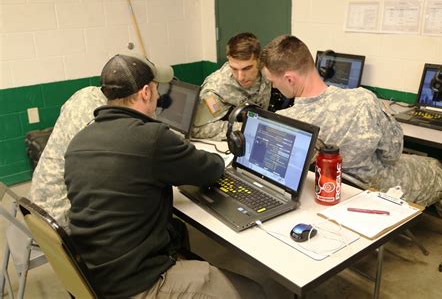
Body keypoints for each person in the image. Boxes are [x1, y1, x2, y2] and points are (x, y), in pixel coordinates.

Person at [64, 53, 265, 298]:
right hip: (136, 284)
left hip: (93, 273)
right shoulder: (151, 138)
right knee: (253, 291)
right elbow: (209, 170)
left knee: (177, 230)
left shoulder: (79, 140)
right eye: (157, 89)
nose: (159, 95)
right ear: (146, 92)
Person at [260, 35, 442, 234]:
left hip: (328, 191)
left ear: (289, 78)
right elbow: (393, 154)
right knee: (439, 169)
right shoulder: (362, 100)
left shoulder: (286, 121)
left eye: (273, 81)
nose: (273, 86)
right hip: (376, 187)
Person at [29, 86, 107, 232]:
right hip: (58, 217)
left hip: (36, 203)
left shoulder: (85, 93)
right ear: (144, 93)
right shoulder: (99, 115)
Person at [192, 32, 272, 140]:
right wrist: (247, 128)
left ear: (259, 60)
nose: (240, 77)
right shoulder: (217, 88)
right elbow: (198, 129)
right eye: (234, 68)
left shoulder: (268, 72)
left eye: (247, 68)